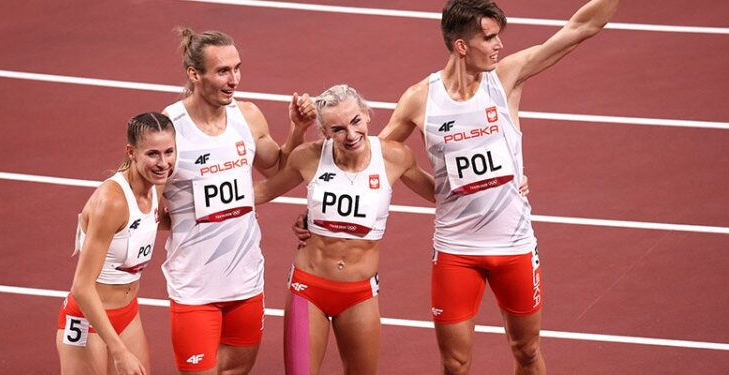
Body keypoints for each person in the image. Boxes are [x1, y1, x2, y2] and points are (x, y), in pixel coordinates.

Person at [295, 1, 618, 373]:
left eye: (499, 36)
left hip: (514, 244)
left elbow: (579, 28)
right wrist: (319, 210)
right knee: (456, 363)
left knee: (527, 351)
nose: (500, 46)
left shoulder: (506, 78)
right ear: (461, 46)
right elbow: (373, 160)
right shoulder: (420, 99)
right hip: (456, 250)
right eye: (489, 37)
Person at [160, 27, 316, 374]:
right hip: (194, 284)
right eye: (223, 71)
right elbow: (147, 197)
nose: (234, 79)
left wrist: (297, 129)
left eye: (237, 68)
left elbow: (275, 165)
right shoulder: (170, 127)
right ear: (194, 74)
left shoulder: (246, 115)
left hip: (244, 279)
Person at [254, 84, 435, 375]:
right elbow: (261, 192)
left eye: (355, 122)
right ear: (324, 133)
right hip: (308, 287)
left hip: (359, 294)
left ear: (367, 115)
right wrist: (191, 196)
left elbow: (442, 193)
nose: (350, 135)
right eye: (337, 129)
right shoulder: (308, 157)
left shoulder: (395, 157)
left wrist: (510, 182)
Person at [56, 112, 176, 375]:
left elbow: (155, 221)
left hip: (128, 313)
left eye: (169, 152)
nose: (163, 163)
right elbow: (82, 287)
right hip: (88, 319)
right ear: (131, 152)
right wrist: (119, 351)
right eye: (153, 154)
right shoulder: (112, 202)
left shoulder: (156, 184)